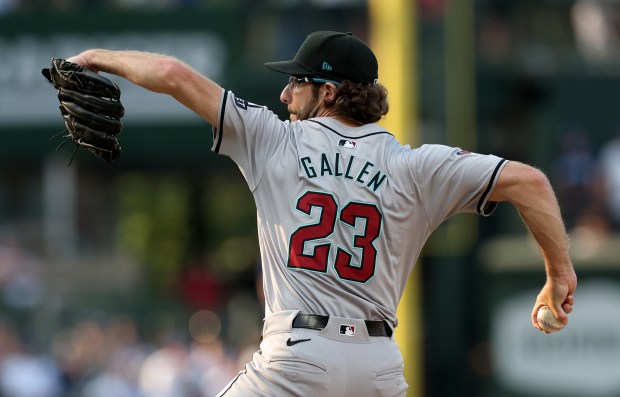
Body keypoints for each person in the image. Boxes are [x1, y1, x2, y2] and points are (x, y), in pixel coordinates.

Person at [65, 31, 577, 396]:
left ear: (328, 91)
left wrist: (97, 56)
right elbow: (530, 182)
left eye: (298, 83)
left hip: (296, 359)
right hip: (377, 367)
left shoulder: (272, 139)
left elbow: (174, 75)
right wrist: (558, 274)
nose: (286, 93)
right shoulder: (417, 166)